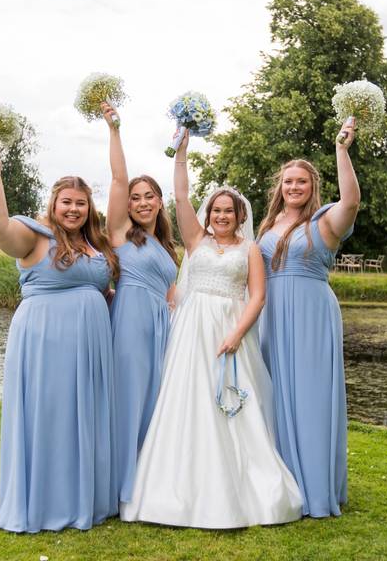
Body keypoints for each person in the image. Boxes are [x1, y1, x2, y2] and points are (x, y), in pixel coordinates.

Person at [120, 130, 302, 529]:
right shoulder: (195, 240)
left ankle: (241, 489)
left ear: (240, 216)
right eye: (216, 210)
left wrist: (236, 334)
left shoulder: (250, 249)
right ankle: (175, 488)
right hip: (191, 329)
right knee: (186, 399)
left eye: (228, 212)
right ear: (209, 215)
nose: (221, 216)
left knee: (234, 405)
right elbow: (181, 197)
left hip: (231, 328)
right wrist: (182, 152)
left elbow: (257, 297)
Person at [0, 143, 119, 533]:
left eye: (81, 203)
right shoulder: (33, 235)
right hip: (46, 342)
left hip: (88, 347)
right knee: (51, 414)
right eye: (67, 203)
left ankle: (82, 497)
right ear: (53, 204)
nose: (74, 209)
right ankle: (45, 501)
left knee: (82, 416)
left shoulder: (93, 244)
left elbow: (102, 289)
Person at [256, 117, 361, 518]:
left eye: (301, 182)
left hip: (311, 313)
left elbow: (351, 201)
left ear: (312, 186)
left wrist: (342, 149)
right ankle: (281, 483)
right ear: (280, 188)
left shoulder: (325, 222)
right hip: (273, 315)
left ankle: (315, 488)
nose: (294, 187)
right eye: (288, 182)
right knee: (275, 394)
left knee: (311, 396)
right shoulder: (268, 225)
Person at [101, 103, 179, 503]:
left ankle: (146, 480)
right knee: (129, 397)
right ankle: (119, 485)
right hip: (130, 322)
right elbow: (117, 179)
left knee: (155, 398)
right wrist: (115, 130)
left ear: (161, 202)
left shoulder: (167, 247)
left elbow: (173, 295)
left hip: (160, 328)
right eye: (136, 197)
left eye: (150, 196)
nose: (142, 202)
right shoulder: (120, 233)